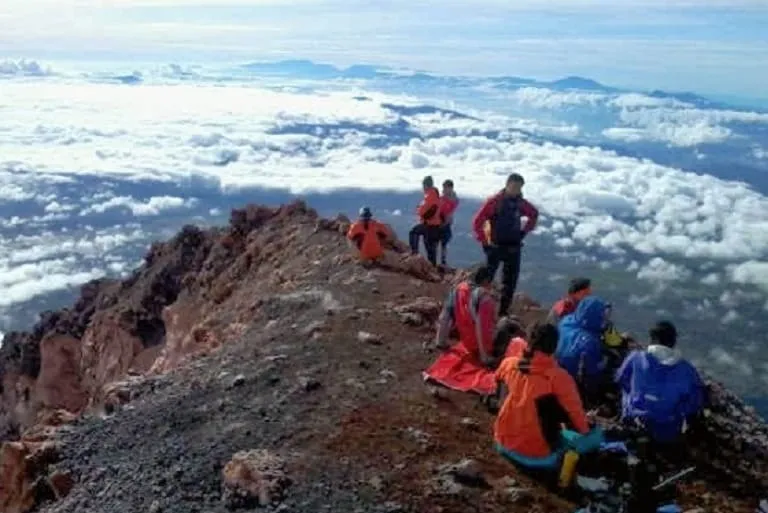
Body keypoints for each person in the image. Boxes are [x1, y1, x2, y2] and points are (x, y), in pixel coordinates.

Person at [493, 322, 603, 474]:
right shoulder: (559, 378)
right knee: (596, 436)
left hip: (502, 441)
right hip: (536, 457)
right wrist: (588, 424)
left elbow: (498, 385)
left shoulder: (509, 364)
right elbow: (580, 424)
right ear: (554, 347)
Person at [615, 321, 705, 444]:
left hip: (635, 420)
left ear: (653, 338)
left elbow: (620, 379)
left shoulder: (636, 358)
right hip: (667, 429)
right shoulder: (687, 370)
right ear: (672, 342)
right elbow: (695, 401)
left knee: (627, 392)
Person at [423, 266, 499, 395]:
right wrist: (485, 356)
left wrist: (441, 342)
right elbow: (483, 329)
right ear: (486, 281)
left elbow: (444, 317)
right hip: (479, 346)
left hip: (466, 341)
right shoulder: (485, 298)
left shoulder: (459, 290)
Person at [472, 173, 539, 317]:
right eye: (514, 187)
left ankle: (503, 312)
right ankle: (476, 307)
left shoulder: (520, 203)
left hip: (513, 247)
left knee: (510, 283)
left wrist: (524, 231)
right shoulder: (495, 202)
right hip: (495, 247)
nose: (516, 190)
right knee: (486, 279)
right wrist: (484, 242)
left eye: (519, 187)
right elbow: (477, 221)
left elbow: (534, 213)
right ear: (507, 184)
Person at [555, 295, 609, 402]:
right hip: (572, 378)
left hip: (558, 365)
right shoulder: (589, 342)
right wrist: (605, 362)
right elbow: (593, 370)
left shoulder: (566, 321)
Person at [409, 175, 442, 266]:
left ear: (426, 185)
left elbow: (422, 210)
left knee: (413, 232)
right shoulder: (436, 194)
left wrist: (418, 209)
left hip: (429, 225)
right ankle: (433, 267)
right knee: (431, 249)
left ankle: (414, 252)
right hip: (435, 225)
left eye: (423, 185)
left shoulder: (430, 195)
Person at [438, 179, 459, 266]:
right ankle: (437, 260)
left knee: (444, 242)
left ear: (450, 188)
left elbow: (448, 210)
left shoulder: (452, 199)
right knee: (437, 241)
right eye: (444, 187)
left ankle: (443, 261)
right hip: (440, 220)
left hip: (445, 221)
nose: (444, 189)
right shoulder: (443, 197)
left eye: (446, 187)